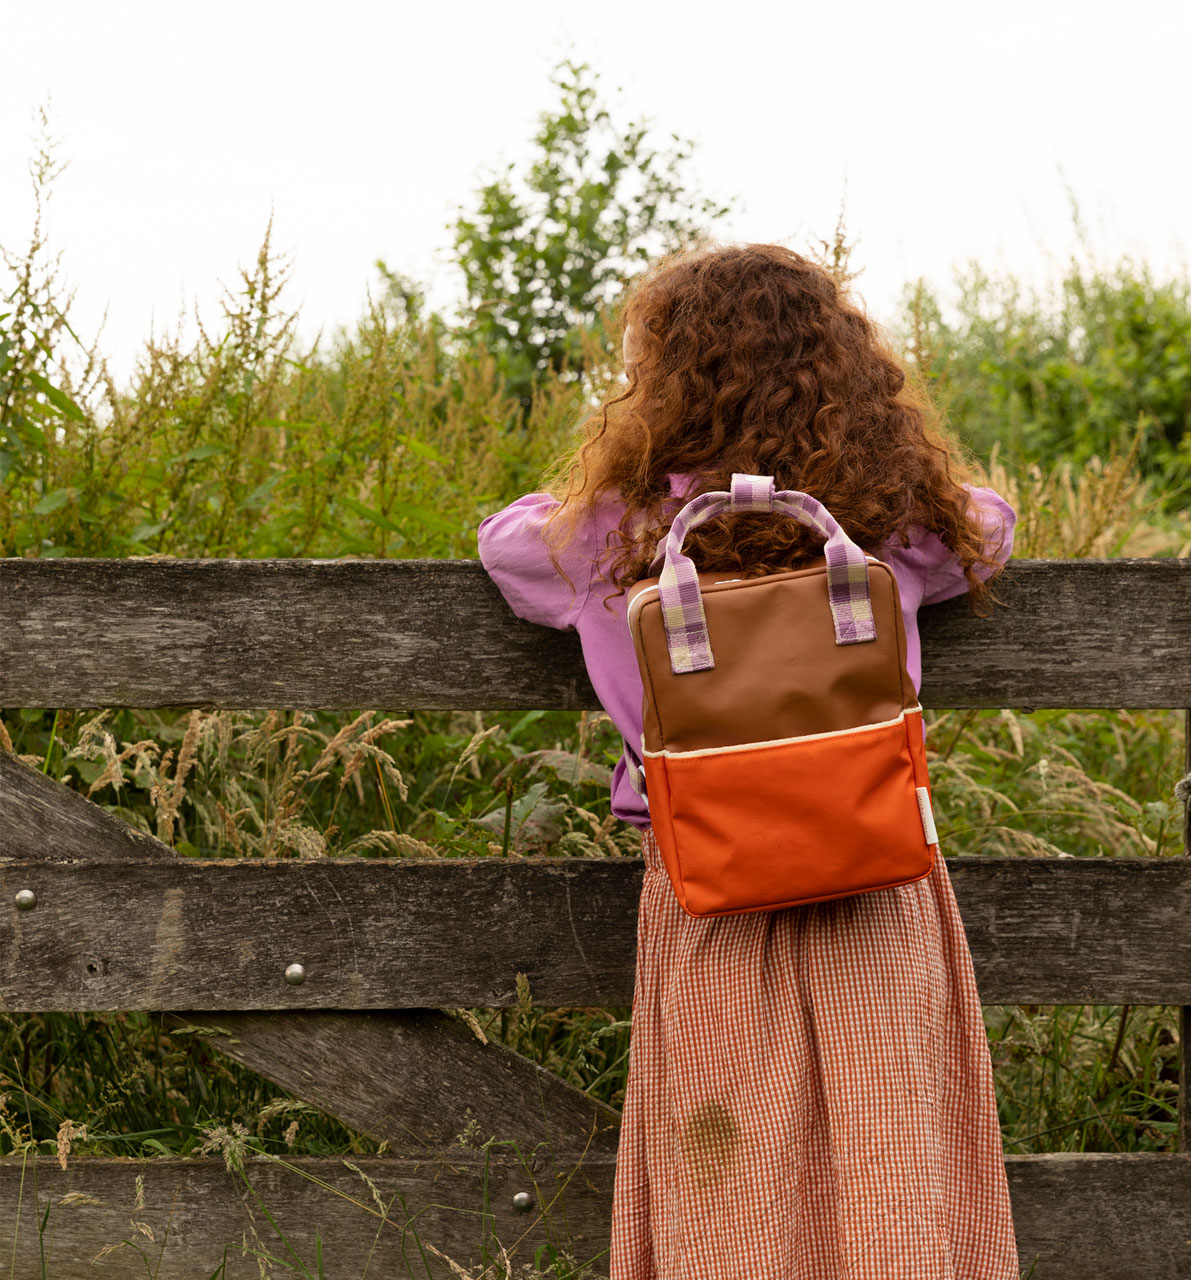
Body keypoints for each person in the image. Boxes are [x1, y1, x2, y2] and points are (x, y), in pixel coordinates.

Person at [477, 243, 1020, 1280]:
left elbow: (505, 542)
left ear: (660, 381)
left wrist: (642, 483)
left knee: (725, 1158)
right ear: (845, 369)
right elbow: (988, 526)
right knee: (892, 1138)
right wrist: (834, 486)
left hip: (708, 875)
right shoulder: (888, 530)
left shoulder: (609, 539)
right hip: (871, 863)